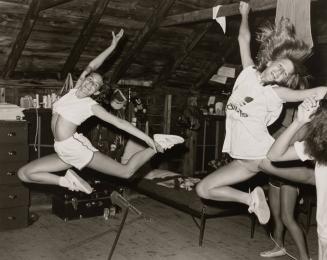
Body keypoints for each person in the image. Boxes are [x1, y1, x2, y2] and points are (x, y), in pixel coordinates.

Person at [196, 1, 327, 225]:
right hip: (242, 160)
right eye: (280, 65)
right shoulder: (247, 73)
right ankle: (252, 199)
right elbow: (243, 39)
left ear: (283, 79)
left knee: (312, 177)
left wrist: (318, 95)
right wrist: (244, 14)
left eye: (284, 73)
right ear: (271, 60)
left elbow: (319, 90)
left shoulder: (277, 93)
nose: (279, 71)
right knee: (203, 189)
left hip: (262, 155)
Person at [18, 29, 182, 194]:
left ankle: (157, 144)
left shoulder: (90, 106)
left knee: (126, 172)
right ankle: (68, 182)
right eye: (90, 80)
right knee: (24, 173)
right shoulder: (72, 92)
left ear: (96, 92)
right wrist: (112, 46)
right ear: (84, 80)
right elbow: (92, 65)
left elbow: (120, 123)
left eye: (95, 85)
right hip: (62, 149)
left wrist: (147, 139)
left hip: (77, 149)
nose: (90, 84)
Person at [267, 96, 326, 260]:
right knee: (277, 214)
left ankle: (304, 257)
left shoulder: (312, 133)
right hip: (324, 232)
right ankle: (279, 245)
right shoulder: (318, 143)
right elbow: (274, 154)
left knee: (287, 216)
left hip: (292, 176)